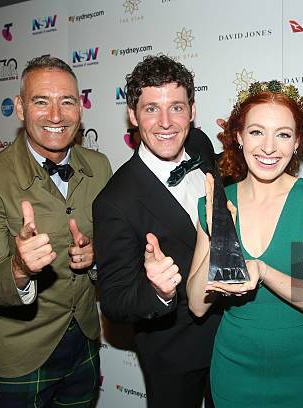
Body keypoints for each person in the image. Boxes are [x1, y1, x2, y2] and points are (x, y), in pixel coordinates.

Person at [0, 55, 112, 407]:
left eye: (67, 101)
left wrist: (95, 257)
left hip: (85, 342)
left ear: (80, 108)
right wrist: (18, 268)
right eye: (41, 101)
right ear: (19, 108)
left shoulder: (100, 167)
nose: (56, 115)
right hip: (19, 356)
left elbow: (112, 248)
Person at [187, 80, 303, 407]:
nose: (269, 147)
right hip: (232, 370)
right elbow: (197, 305)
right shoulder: (216, 202)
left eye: (283, 134)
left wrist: (264, 271)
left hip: (301, 374)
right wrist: (218, 233)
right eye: (257, 132)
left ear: (298, 142)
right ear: (239, 137)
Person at [92, 55, 220, 408]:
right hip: (174, 355)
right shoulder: (114, 201)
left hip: (233, 339)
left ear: (192, 111)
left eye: (176, 107)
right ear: (133, 116)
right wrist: (157, 291)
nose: (166, 123)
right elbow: (115, 299)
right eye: (151, 109)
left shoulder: (201, 147)